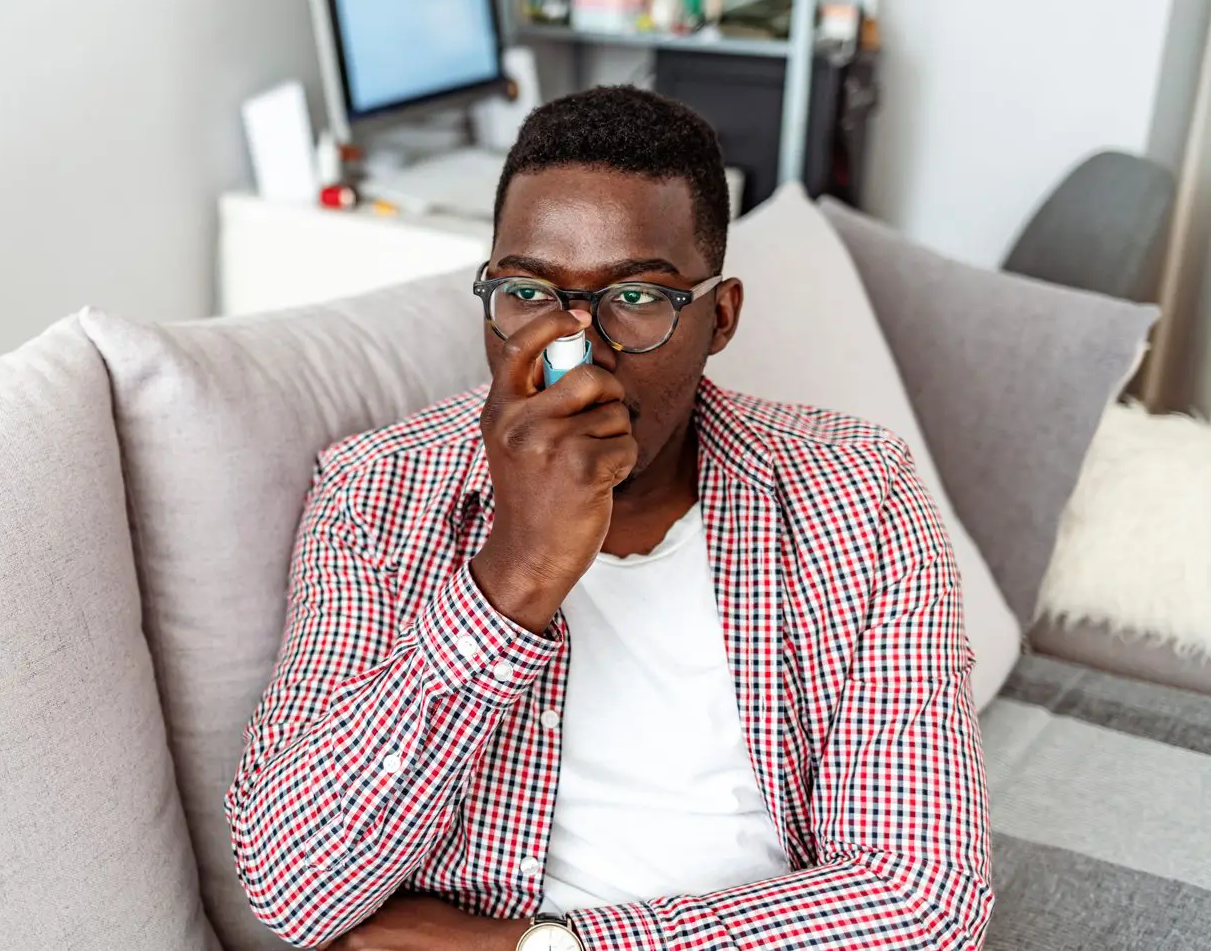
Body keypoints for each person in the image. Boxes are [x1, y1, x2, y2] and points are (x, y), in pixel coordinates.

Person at [225, 86, 992, 951]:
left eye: (636, 298)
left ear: (721, 317)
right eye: (527, 291)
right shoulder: (377, 495)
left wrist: (539, 948)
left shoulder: (856, 495)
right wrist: (512, 579)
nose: (573, 350)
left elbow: (923, 899)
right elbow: (290, 889)